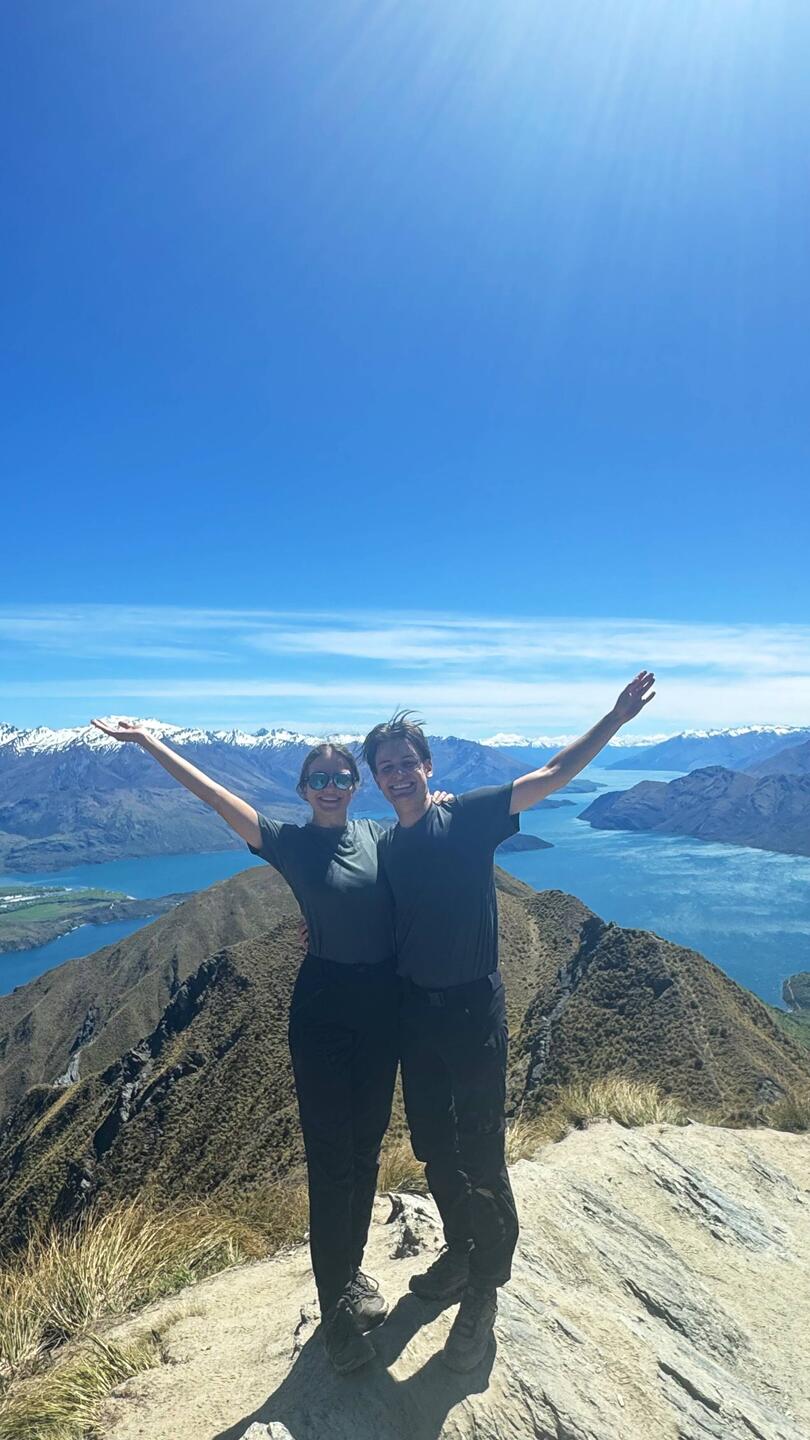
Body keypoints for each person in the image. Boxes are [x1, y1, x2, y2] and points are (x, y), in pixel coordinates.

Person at [89, 718, 447, 1376]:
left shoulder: (378, 836)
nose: (331, 787)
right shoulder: (286, 841)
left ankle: (352, 1277)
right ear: (304, 788)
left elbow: (421, 843)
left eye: (342, 777)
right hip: (323, 1013)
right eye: (319, 779)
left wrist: (437, 804)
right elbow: (215, 799)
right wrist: (149, 743)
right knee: (330, 1157)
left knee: (365, 1155)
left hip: (382, 1011)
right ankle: (336, 1308)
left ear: (356, 784)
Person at [361, 671, 656, 1373]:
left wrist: (613, 718)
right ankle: (462, 1253)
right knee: (434, 1148)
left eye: (408, 763)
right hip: (415, 1018)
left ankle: (484, 1296)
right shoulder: (386, 847)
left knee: (483, 1157)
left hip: (471, 1012)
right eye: (387, 767)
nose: (399, 774)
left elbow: (553, 773)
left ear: (427, 767)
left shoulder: (467, 816)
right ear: (377, 779)